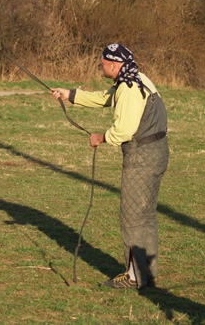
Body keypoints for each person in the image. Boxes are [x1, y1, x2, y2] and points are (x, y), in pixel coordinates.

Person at [52, 44, 169, 289]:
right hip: (157, 153)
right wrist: (70, 95)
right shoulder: (136, 79)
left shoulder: (128, 89)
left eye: (103, 62)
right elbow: (106, 98)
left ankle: (135, 276)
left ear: (114, 65)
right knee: (146, 215)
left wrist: (101, 137)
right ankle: (148, 272)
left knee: (132, 217)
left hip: (142, 158)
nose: (101, 65)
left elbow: (124, 131)